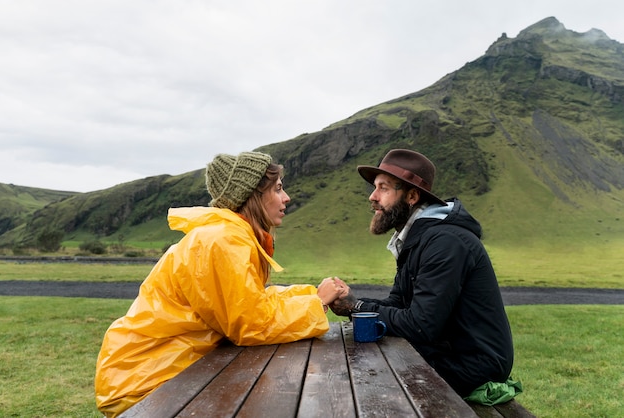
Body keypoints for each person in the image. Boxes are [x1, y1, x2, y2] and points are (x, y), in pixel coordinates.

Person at [95, 151, 345, 417]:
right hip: (147, 379)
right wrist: (316, 303)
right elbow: (249, 323)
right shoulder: (223, 240)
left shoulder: (229, 235)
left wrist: (311, 293)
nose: (286, 198)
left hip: (168, 369)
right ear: (252, 195)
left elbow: (251, 300)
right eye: (278, 189)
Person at [329, 148, 514, 398]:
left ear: (412, 196)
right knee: (357, 361)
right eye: (375, 187)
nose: (372, 197)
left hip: (472, 364)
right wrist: (352, 302)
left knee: (366, 378)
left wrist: (356, 307)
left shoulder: (445, 242)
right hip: (445, 351)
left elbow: (421, 325)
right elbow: (398, 303)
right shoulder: (419, 238)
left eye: (383, 188)